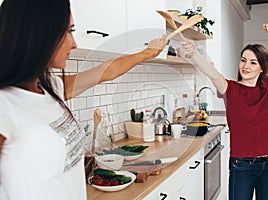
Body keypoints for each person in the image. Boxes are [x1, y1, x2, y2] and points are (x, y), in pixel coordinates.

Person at [0, 0, 166, 199]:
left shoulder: (50, 86)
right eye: (69, 31)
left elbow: (108, 71)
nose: (74, 43)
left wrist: (147, 53)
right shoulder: (5, 104)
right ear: (38, 34)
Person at [179, 24, 268, 200]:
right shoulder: (230, 89)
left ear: (262, 68)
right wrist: (194, 53)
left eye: (253, 62)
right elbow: (213, 74)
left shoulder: (266, 86)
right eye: (243, 60)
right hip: (242, 166)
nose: (246, 66)